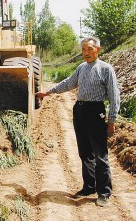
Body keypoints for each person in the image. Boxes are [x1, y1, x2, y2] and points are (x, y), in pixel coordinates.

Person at [36, 36, 120, 207]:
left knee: (100, 155)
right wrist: (49, 92)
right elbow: (68, 83)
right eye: (83, 50)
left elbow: (114, 95)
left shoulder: (105, 69)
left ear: (98, 49)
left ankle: (104, 192)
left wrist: (112, 120)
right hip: (80, 111)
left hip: (96, 112)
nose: (86, 53)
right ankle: (89, 187)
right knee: (85, 152)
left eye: (89, 49)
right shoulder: (81, 68)